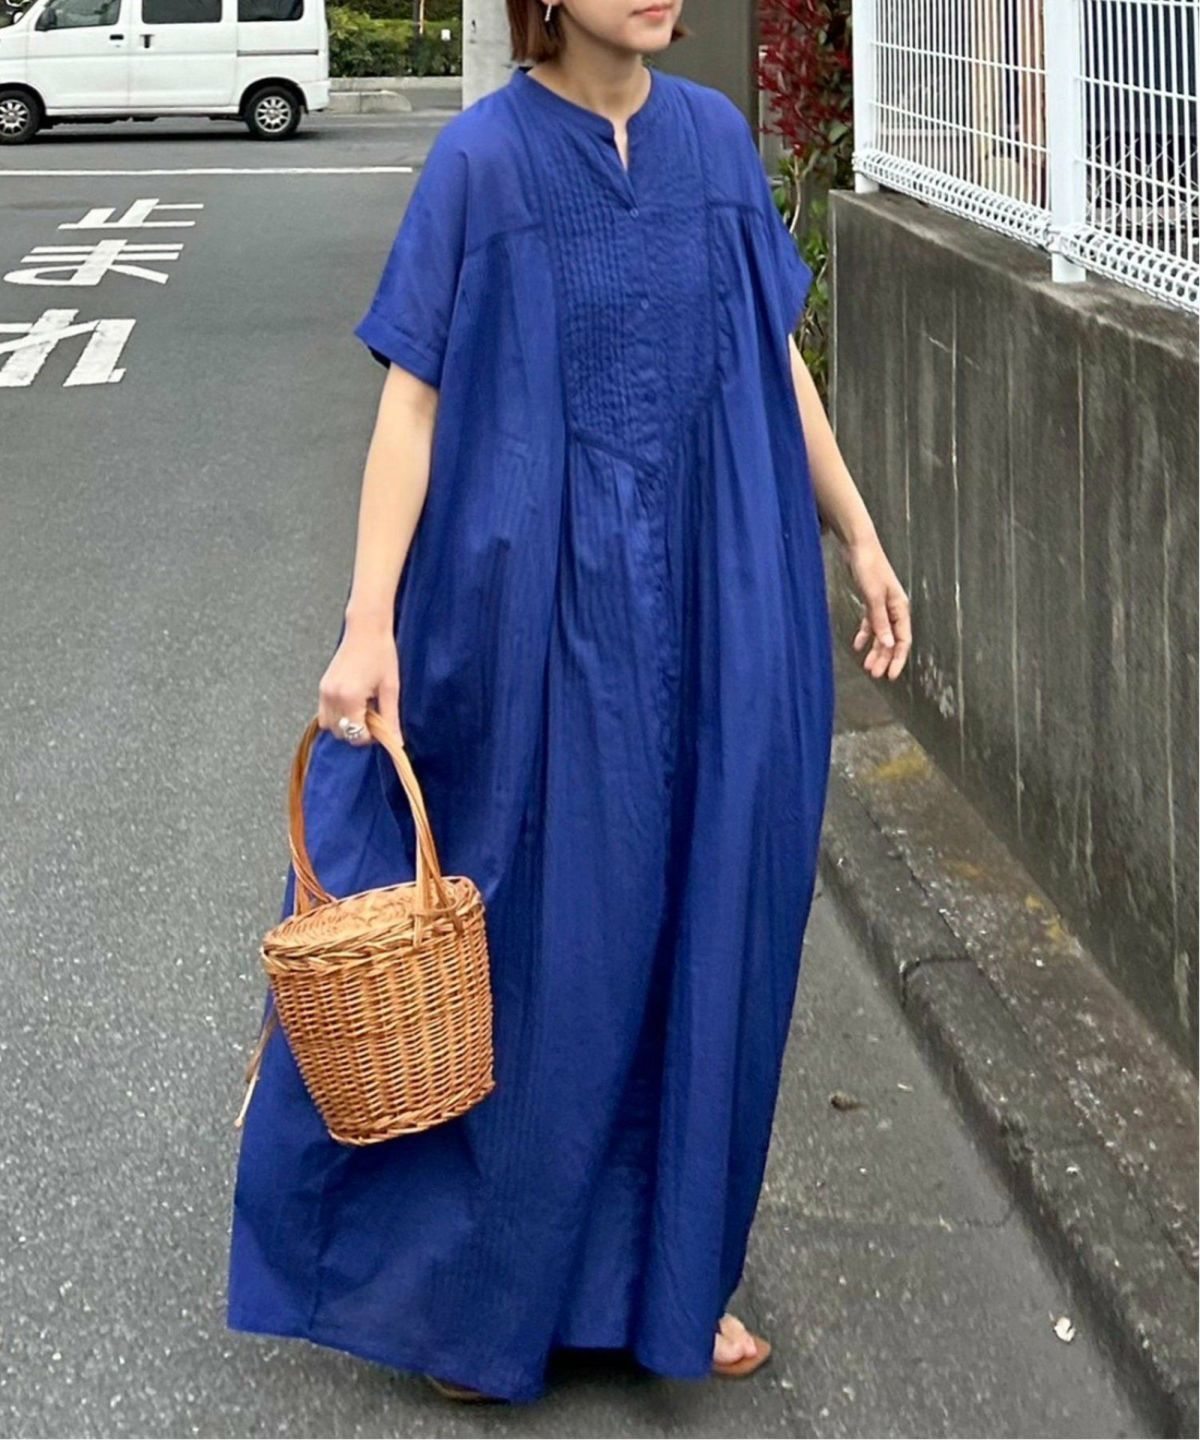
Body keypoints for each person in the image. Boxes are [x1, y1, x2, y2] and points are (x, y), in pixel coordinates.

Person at [225, 0, 912, 1406]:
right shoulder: (480, 162)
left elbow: (773, 357)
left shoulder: (714, 144)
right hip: (532, 620)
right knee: (549, 944)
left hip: (717, 606)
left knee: (709, 929)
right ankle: (486, 1305)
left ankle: (674, 1283)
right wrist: (368, 622)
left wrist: (857, 532)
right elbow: (413, 402)